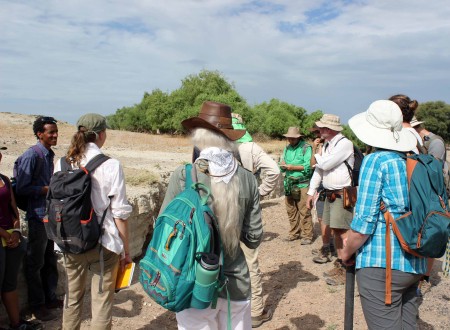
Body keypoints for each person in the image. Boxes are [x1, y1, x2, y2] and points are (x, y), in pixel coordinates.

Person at [163, 101, 263, 330]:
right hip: (235, 283)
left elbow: (165, 227)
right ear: (229, 138)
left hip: (192, 282)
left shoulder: (183, 175)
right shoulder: (247, 178)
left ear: (198, 136)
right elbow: (254, 237)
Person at [341, 100, 427, 329]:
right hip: (415, 262)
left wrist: (346, 251)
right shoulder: (412, 160)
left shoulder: (376, 161)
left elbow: (364, 223)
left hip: (383, 265)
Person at [56, 114, 132, 330]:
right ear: (100, 135)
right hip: (102, 243)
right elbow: (120, 213)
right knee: (101, 303)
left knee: (72, 298)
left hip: (69, 241)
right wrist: (126, 252)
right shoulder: (111, 165)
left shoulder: (61, 163)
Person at [231, 113, 279, 328]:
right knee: (250, 260)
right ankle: (256, 312)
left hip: (218, 209)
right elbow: (274, 171)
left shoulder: (212, 145)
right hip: (246, 209)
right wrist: (259, 193)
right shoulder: (250, 147)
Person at [15, 116, 60, 321]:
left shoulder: (49, 155)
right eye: (50, 132)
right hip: (37, 216)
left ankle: (50, 298)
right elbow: (22, 188)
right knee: (35, 262)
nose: (55, 135)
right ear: (39, 134)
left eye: (56, 131)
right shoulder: (31, 156)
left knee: (49, 258)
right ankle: (37, 305)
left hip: (50, 214)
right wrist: (46, 189)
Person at [305, 114, 355, 286]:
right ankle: (341, 263)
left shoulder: (345, 144)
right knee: (336, 230)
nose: (319, 130)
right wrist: (311, 192)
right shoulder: (328, 145)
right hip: (330, 193)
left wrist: (318, 154)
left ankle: (346, 266)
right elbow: (319, 170)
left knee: (342, 231)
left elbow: (324, 165)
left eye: (322, 127)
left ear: (330, 129)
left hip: (341, 194)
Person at [1, 146, 42, 330]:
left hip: (11, 237)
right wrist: (4, 234)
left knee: (10, 283)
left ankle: (16, 324)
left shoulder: (4, 180)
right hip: (3, 237)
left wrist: (16, 232)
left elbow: (13, 207)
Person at [410, 116, 449, 293]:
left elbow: (432, 171)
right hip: (422, 193)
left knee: (432, 232)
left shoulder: (435, 143)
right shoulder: (421, 143)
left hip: (433, 194)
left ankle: (424, 277)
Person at [279, 127, 313, 244]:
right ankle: (294, 233)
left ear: (298, 137)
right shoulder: (286, 148)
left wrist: (292, 167)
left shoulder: (306, 148)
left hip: (302, 182)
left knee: (304, 209)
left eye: (293, 138)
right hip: (289, 181)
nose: (290, 140)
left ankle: (307, 235)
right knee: (291, 209)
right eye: (289, 138)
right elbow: (281, 163)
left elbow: (308, 166)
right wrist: (282, 165)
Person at [308, 128, 334, 264]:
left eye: (319, 133)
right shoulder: (322, 148)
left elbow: (324, 164)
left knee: (329, 219)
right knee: (321, 217)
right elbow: (314, 165)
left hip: (332, 187)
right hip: (321, 187)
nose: (318, 136)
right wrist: (315, 149)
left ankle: (329, 247)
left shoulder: (334, 147)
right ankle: (328, 245)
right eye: (316, 134)